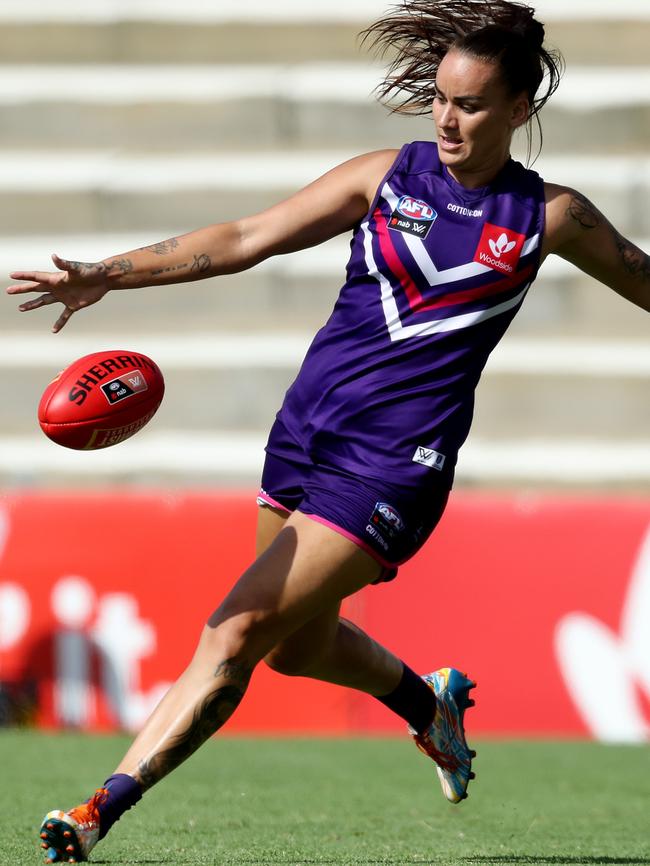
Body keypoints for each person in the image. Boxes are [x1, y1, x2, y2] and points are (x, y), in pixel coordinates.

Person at [7, 0, 649, 862]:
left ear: (519, 111)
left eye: (471, 104)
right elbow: (247, 236)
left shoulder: (549, 217)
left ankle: (95, 811)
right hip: (306, 436)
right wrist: (110, 276)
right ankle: (429, 705)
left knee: (233, 632)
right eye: (441, 99)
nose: (447, 118)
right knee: (294, 652)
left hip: (394, 466)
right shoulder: (388, 177)